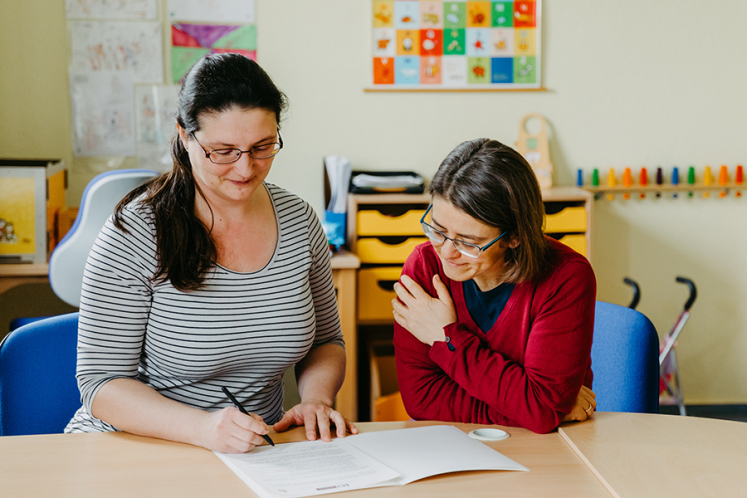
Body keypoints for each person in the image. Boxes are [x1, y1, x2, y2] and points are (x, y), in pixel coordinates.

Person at [65, 53, 357, 452]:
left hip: (254, 452)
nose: (244, 168)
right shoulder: (134, 232)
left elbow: (327, 341)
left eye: (262, 147)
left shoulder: (299, 221)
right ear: (185, 137)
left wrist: (316, 400)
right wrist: (202, 428)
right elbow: (101, 383)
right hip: (134, 446)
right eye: (222, 151)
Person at [392, 138, 597, 434]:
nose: (446, 252)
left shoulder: (565, 277)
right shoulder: (424, 268)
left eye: (467, 241)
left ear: (514, 236)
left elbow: (542, 408)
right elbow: (422, 400)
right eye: (437, 229)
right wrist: (533, 408)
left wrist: (446, 337)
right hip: (453, 447)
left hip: (550, 452)